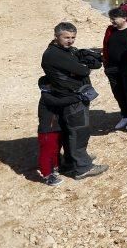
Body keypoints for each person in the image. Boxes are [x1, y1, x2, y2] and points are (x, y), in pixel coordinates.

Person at [40, 22, 108, 181]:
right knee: (79, 131)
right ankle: (83, 167)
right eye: (66, 37)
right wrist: (85, 65)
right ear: (56, 36)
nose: (70, 41)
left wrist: (82, 57)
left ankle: (72, 161)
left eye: (73, 37)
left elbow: (79, 65)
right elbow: (83, 70)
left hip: (68, 96)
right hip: (73, 98)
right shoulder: (54, 54)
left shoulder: (61, 51)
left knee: (69, 130)